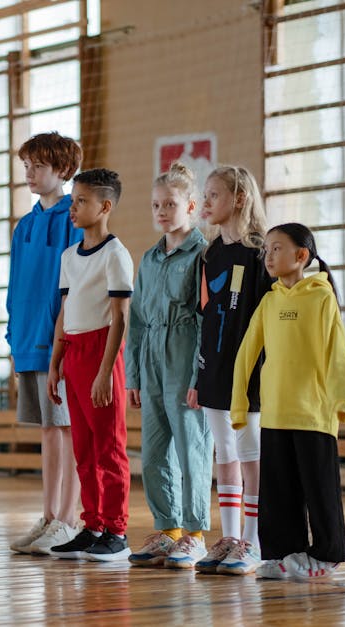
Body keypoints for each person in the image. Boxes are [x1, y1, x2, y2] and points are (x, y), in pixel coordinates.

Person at [231, 223, 345, 580]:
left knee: (319, 489)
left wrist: (340, 401)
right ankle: (284, 553)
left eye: (277, 249)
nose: (268, 256)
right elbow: (246, 354)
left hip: (314, 414)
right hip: (275, 414)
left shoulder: (321, 297)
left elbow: (338, 353)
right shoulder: (269, 301)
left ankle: (326, 555)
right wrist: (240, 405)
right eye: (266, 249)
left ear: (302, 256)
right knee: (278, 490)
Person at [126, 162, 212, 570]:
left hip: (183, 358)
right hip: (152, 361)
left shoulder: (203, 256)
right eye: (156, 205)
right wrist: (134, 376)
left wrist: (199, 376)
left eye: (171, 204)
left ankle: (194, 534)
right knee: (155, 451)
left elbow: (204, 322)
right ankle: (169, 529)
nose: (161, 211)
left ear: (191, 206)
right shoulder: (148, 259)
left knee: (192, 446)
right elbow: (138, 320)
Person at [45, 168, 134, 562]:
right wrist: (55, 361)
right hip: (74, 353)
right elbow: (65, 311)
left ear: (105, 206)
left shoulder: (116, 255)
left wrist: (104, 371)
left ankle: (116, 530)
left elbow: (121, 318)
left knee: (108, 448)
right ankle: (92, 523)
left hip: (102, 353)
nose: (72, 207)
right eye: (72, 200)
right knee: (83, 447)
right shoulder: (69, 257)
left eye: (81, 201)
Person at [7, 132, 84, 555]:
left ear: (62, 170)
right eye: (27, 167)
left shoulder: (74, 216)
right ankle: (49, 514)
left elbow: (77, 284)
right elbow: (16, 284)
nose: (30, 174)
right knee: (48, 431)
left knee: (67, 429)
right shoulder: (26, 224)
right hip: (28, 342)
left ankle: (69, 520)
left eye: (38, 166)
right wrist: (13, 332)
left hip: (61, 343)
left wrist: (64, 335)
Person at [192, 165, 270, 576]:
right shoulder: (210, 255)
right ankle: (230, 537)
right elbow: (207, 317)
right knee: (224, 452)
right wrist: (199, 376)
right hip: (215, 371)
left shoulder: (260, 253)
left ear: (238, 199)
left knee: (249, 452)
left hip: (249, 375)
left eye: (213, 195)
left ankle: (253, 542)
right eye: (204, 196)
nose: (205, 203)